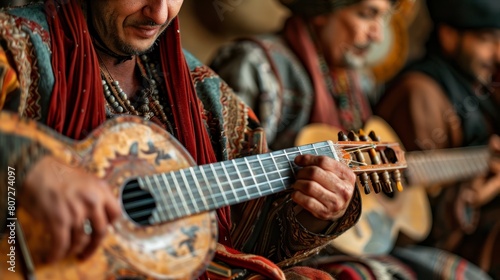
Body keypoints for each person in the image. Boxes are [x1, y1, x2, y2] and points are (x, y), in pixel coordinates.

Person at [0, 0, 362, 279]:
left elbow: (240, 240)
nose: (159, 12)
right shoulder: (17, 46)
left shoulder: (201, 93)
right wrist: (30, 164)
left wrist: (316, 212)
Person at [210, 0, 493, 279]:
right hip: (271, 253)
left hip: (344, 243)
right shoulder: (254, 65)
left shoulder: (359, 85)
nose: (378, 34)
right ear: (323, 11)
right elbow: (222, 194)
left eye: (382, 18)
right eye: (367, 14)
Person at [376, 0, 500, 277]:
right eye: (486, 40)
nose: (498, 54)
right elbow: (416, 218)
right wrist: (474, 197)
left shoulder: (476, 88)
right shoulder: (419, 94)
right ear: (448, 35)